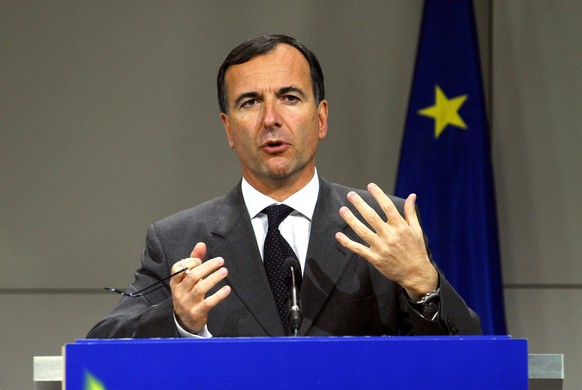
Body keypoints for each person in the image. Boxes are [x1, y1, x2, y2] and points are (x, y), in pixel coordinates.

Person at [88, 34, 481, 338]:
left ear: (321, 118)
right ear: (228, 128)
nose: (271, 118)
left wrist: (423, 285)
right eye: (250, 102)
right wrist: (177, 318)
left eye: (290, 98)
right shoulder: (178, 239)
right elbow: (101, 347)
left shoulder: (382, 224)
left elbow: (470, 359)